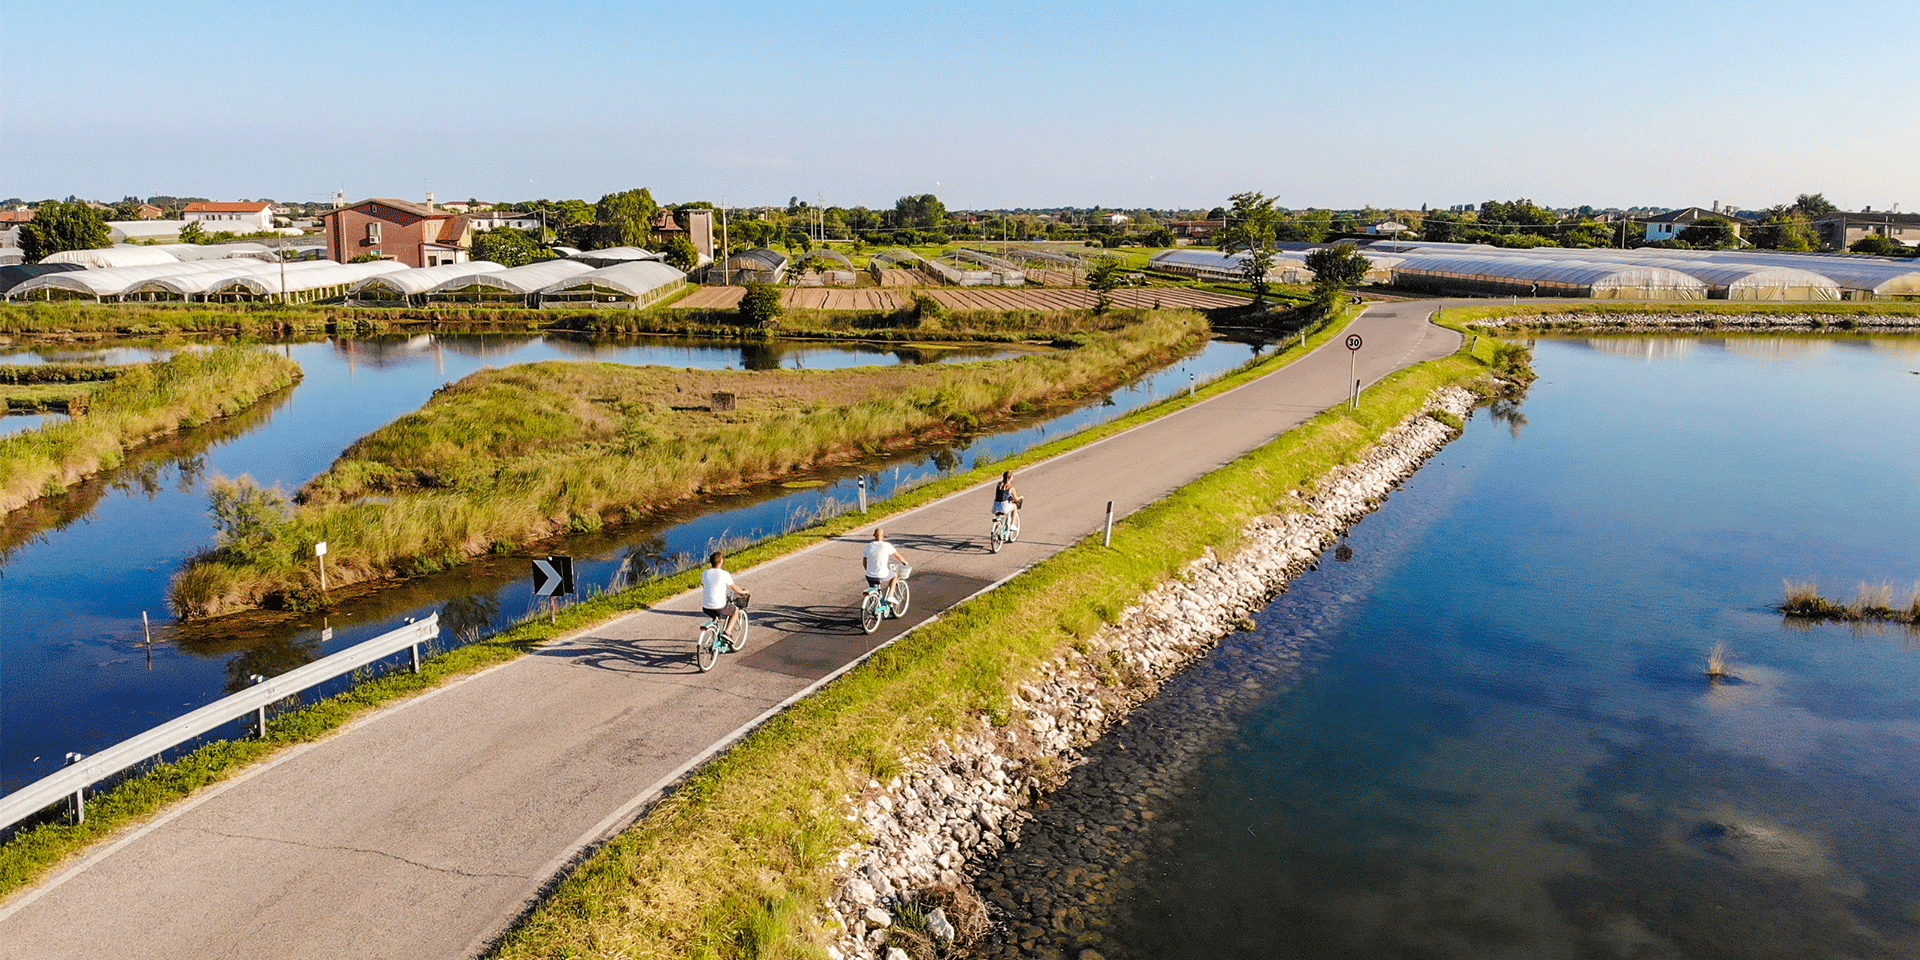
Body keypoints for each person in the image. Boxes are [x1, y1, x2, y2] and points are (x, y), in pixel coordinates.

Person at [700, 551, 746, 642]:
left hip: (706, 608)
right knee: (735, 611)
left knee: (716, 614)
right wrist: (743, 591)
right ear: (721, 561)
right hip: (719, 607)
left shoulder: (705, 573)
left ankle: (715, 632)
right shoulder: (724, 574)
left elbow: (704, 585)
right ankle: (727, 633)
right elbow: (734, 587)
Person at [862, 527, 907, 604]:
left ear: (874, 535)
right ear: (883, 536)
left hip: (870, 576)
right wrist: (905, 562)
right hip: (882, 575)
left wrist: (868, 569)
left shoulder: (868, 546)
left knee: (874, 589)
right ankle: (890, 596)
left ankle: (874, 603)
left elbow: (864, 562)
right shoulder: (887, 545)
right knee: (894, 576)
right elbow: (898, 556)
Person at [992, 470, 1024, 536]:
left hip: (996, 505)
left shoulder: (998, 485)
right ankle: (1012, 525)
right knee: (1014, 506)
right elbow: (1016, 499)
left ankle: (997, 525)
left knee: (999, 513)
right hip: (1004, 506)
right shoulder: (1011, 488)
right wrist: (1020, 497)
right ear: (1010, 477)